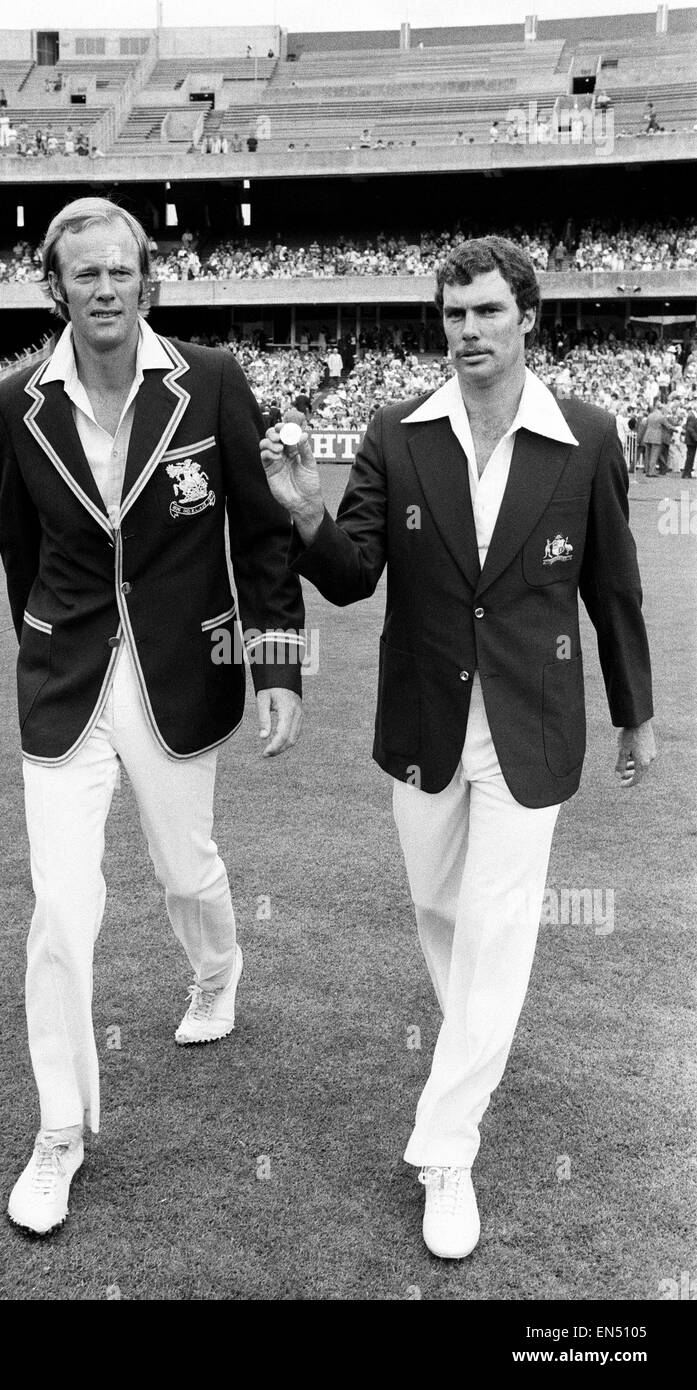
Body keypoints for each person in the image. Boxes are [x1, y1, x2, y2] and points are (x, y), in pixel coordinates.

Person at [260, 235, 655, 1261]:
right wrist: (306, 517)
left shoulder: (587, 433)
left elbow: (611, 585)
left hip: (531, 726)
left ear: (528, 316)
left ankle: (446, 1149)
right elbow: (352, 579)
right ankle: (473, 1045)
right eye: (453, 314)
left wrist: (635, 709)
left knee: (496, 929)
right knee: (442, 913)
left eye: (487, 311)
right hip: (425, 726)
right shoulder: (397, 435)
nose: (468, 331)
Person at [0, 197, 305, 1238]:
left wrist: (276, 661)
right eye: (86, 274)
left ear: (148, 278)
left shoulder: (209, 381)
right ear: (57, 288)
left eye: (122, 270)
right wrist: (43, 644)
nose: (107, 288)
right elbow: (18, 545)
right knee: (61, 909)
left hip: (182, 666)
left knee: (184, 867)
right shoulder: (12, 404)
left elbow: (262, 531)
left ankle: (215, 968)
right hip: (66, 681)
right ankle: (59, 1130)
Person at [682, 407, 697, 479]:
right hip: (691, 440)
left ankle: (688, 472)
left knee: (691, 457)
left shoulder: (693, 417)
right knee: (690, 457)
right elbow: (690, 428)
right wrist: (695, 437)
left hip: (692, 440)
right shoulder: (692, 417)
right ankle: (686, 473)